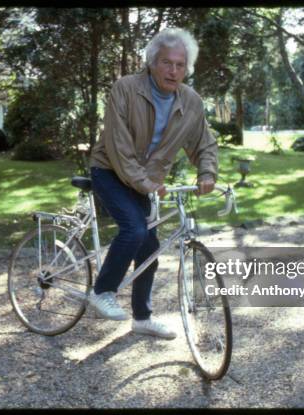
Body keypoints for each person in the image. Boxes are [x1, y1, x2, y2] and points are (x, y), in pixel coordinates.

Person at [88, 27, 218, 339]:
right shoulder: (125, 89)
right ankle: (102, 290)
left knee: (149, 247)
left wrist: (207, 173)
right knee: (134, 229)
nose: (174, 70)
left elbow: (204, 143)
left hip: (146, 181)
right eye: (166, 63)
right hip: (109, 170)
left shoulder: (191, 102)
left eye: (180, 65)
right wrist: (145, 183)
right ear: (151, 63)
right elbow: (118, 148)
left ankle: (142, 318)